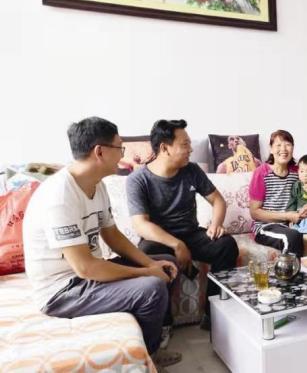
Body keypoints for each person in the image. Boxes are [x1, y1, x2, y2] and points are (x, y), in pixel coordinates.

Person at [23, 117, 182, 367]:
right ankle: (149, 357)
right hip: (63, 291)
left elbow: (113, 236)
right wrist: (146, 272)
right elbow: (85, 268)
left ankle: (150, 337)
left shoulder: (97, 185)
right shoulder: (59, 196)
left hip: (85, 278)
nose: (122, 154)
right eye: (120, 147)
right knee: (151, 288)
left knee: (166, 261)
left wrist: (151, 263)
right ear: (100, 151)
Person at [126, 119, 239, 331]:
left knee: (226, 245)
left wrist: (216, 224)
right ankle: (163, 325)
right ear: (164, 148)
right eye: (185, 144)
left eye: (190, 144)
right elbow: (141, 225)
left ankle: (213, 314)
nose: (190, 149)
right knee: (148, 255)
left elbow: (218, 201)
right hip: (159, 240)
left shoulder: (191, 170)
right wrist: (177, 245)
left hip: (191, 234)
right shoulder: (138, 180)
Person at [249, 130, 307, 257]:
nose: (283, 149)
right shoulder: (261, 173)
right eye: (278, 145)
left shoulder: (298, 171)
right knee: (293, 237)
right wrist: (287, 216)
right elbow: (254, 212)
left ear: (293, 148)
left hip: (295, 223)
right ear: (271, 149)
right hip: (266, 226)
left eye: (288, 145)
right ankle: (294, 270)